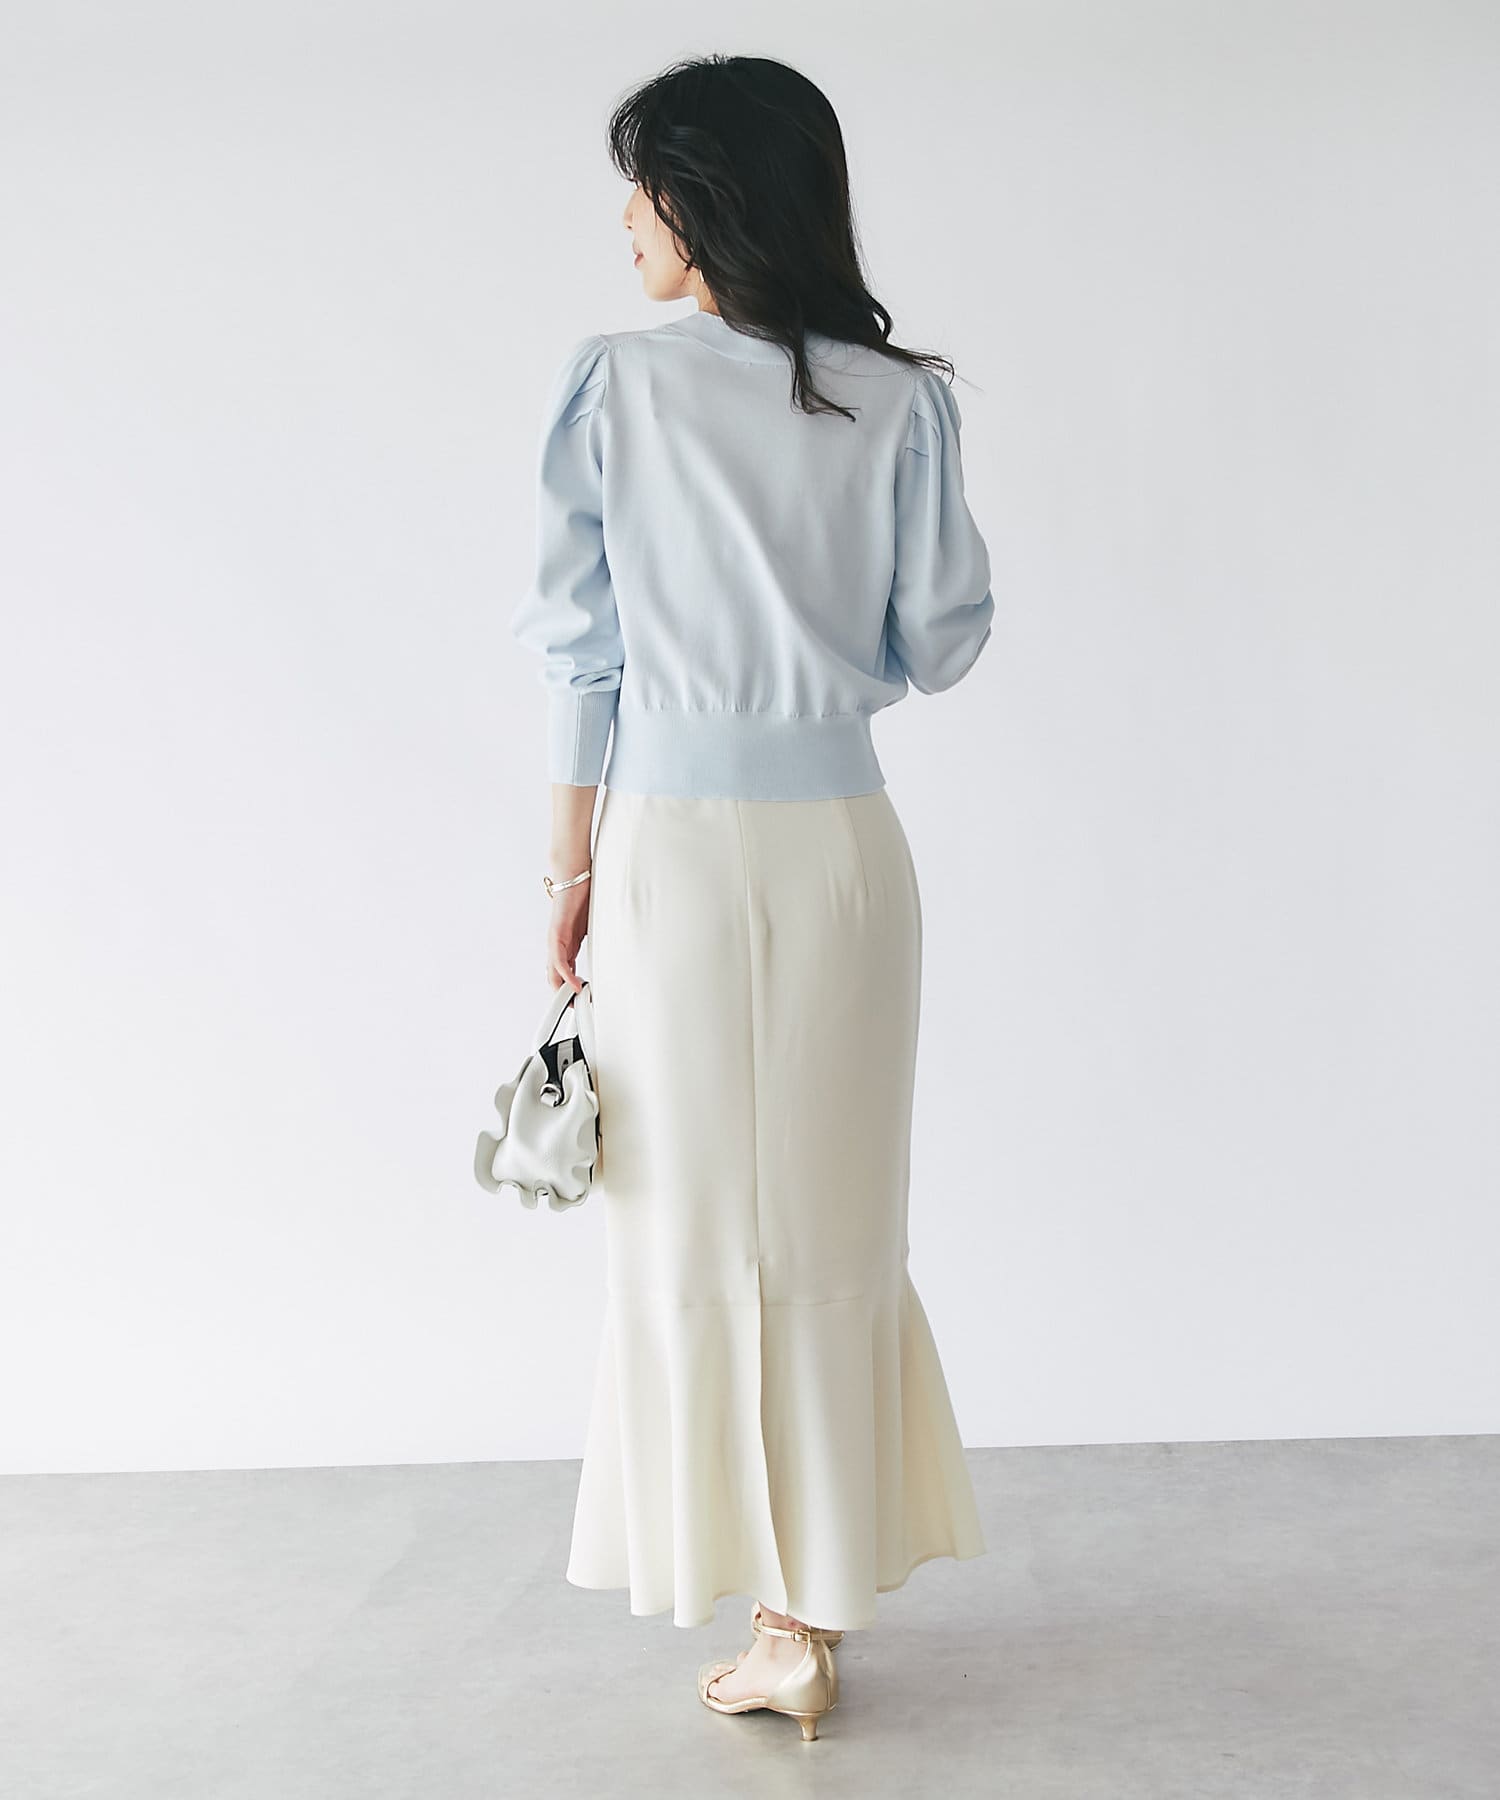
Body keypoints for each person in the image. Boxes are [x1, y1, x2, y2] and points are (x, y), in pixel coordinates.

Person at [509, 54, 995, 1742]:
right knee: (840, 1226)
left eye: (643, 185)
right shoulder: (901, 401)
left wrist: (568, 871)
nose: (628, 219)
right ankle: (807, 1611)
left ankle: (764, 1598)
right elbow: (942, 642)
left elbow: (582, 654)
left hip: (668, 850)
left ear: (705, 201)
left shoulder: (612, 386)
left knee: (691, 1225)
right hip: (844, 850)